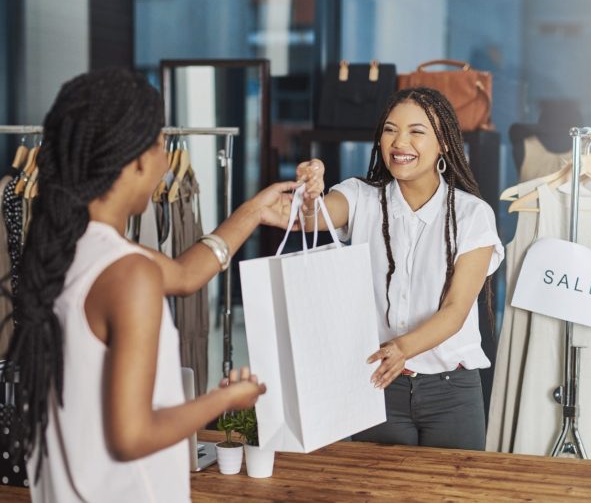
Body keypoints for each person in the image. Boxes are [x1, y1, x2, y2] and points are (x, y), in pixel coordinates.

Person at [2, 68, 299, 502]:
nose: (165, 160)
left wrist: (252, 212)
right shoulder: (129, 274)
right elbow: (132, 435)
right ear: (135, 159)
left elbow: (184, 275)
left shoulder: (63, 250)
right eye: (160, 144)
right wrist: (225, 400)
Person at [294, 87, 503, 450]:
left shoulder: (472, 215)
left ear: (445, 144)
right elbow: (313, 218)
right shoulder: (359, 197)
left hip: (451, 393)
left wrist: (400, 349)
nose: (399, 141)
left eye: (416, 132)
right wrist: (310, 192)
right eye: (390, 129)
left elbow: (455, 312)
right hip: (380, 386)